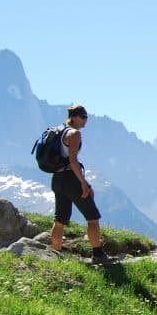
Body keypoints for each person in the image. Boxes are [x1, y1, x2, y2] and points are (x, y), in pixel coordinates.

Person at [49, 104, 111, 264]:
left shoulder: (58, 131)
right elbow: (73, 160)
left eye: (86, 117)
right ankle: (98, 254)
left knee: (59, 219)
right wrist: (83, 183)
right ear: (74, 117)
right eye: (83, 117)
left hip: (57, 178)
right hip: (71, 178)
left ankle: (54, 255)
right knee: (92, 216)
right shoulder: (74, 134)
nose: (85, 121)